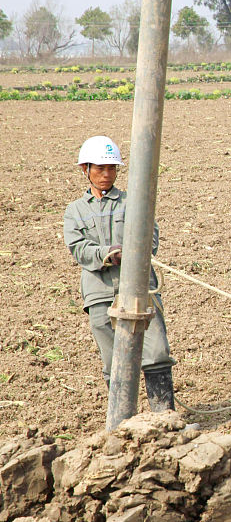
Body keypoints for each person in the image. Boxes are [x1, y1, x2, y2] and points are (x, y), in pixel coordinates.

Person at [63, 136, 176, 410]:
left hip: (140, 290)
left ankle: (164, 419)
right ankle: (121, 426)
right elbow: (78, 248)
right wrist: (106, 253)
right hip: (100, 294)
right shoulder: (75, 211)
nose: (106, 174)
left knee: (157, 352)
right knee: (114, 362)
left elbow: (151, 241)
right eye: (100, 168)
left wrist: (133, 252)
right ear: (85, 169)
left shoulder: (135, 202)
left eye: (111, 168)